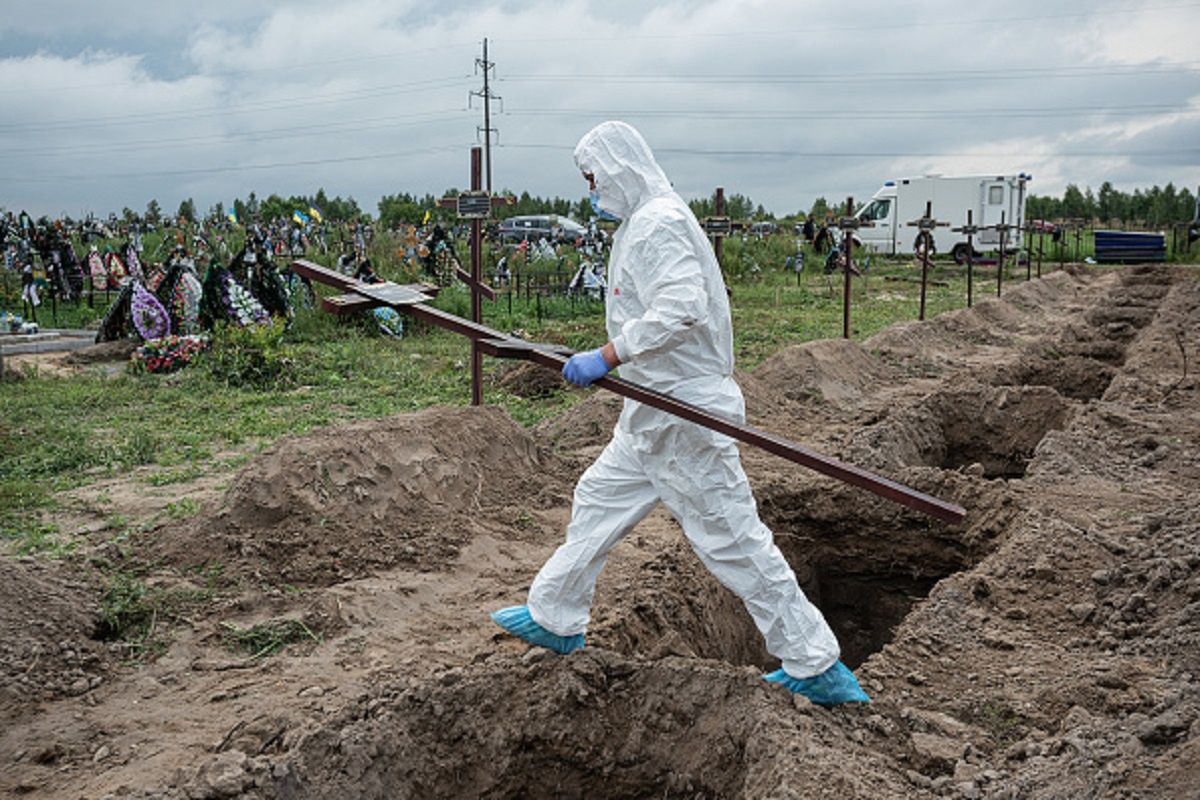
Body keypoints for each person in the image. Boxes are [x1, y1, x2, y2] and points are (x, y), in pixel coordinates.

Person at [490, 121, 868, 707]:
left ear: (618, 168)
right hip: (652, 410)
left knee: (731, 539)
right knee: (597, 497)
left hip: (683, 413)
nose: (591, 189)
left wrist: (608, 357)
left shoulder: (658, 223)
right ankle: (555, 614)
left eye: (593, 177)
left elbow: (682, 306)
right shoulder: (643, 221)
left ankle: (813, 662)